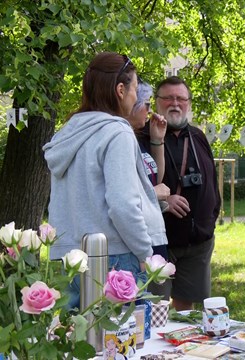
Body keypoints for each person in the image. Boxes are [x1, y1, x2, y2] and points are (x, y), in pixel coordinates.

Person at [43, 52, 167, 308]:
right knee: (123, 345)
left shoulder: (68, 133)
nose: (136, 97)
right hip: (115, 258)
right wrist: (146, 253)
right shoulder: (117, 131)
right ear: (120, 90)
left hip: (69, 259)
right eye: (135, 88)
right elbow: (123, 205)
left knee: (78, 342)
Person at [153, 76, 220, 310]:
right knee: (156, 308)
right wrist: (163, 200)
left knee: (186, 312)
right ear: (156, 102)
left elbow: (211, 179)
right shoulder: (142, 137)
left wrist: (210, 219)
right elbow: (136, 187)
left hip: (198, 241)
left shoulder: (198, 136)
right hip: (160, 242)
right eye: (168, 98)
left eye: (181, 98)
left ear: (189, 103)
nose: (175, 103)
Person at [127, 79, 170, 260]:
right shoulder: (121, 140)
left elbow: (155, 178)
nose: (150, 111)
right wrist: (154, 193)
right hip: (137, 238)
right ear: (133, 105)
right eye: (147, 104)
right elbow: (122, 197)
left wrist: (157, 140)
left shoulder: (134, 139)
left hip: (152, 233)